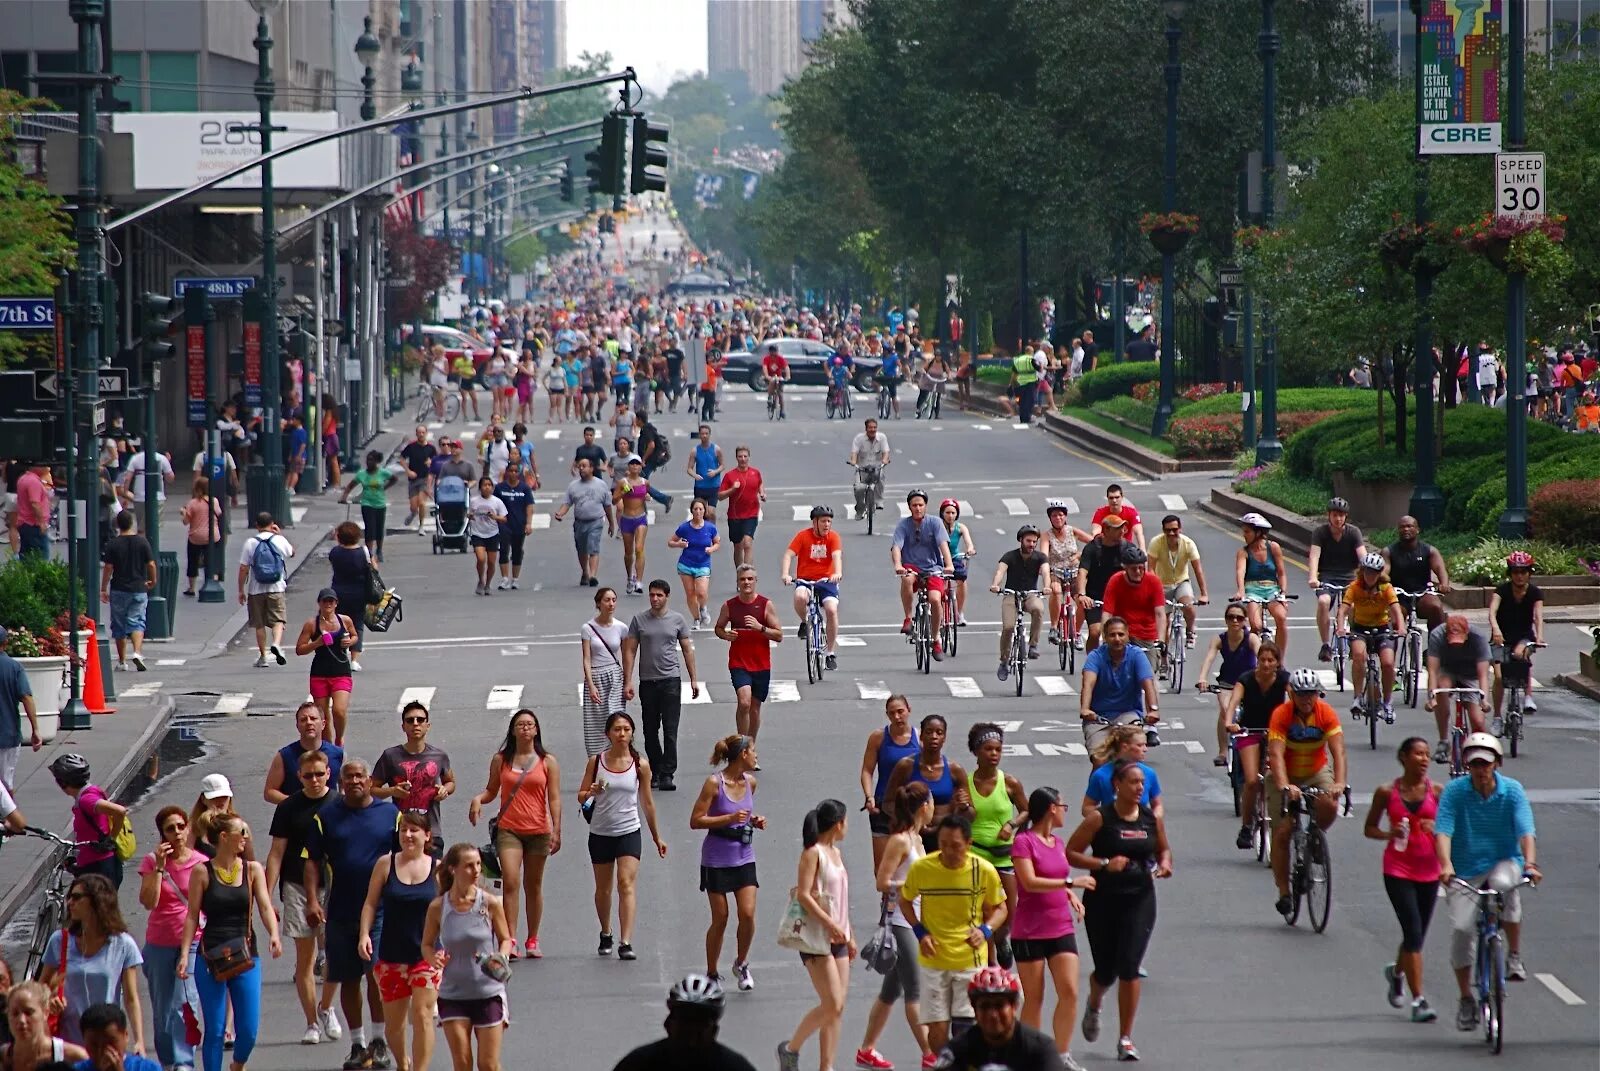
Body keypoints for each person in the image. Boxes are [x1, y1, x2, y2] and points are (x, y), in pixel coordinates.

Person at [1065, 760, 1172, 1064]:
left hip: (1140, 898)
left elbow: (1163, 848)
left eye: (1142, 783)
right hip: (1103, 900)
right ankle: (1095, 1002)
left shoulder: (1151, 819)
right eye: (1134, 782)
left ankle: (1125, 1038)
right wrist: (1102, 864)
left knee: (1129, 967)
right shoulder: (1100, 819)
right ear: (1117, 786)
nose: (1140, 788)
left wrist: (1165, 863)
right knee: (1106, 971)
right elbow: (1070, 852)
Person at [1434, 732, 1540, 1031]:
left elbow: (1525, 831)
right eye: (1475, 765)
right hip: (1465, 869)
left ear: (1498, 764)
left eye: (1486, 764)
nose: (1480, 770)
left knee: (1507, 886)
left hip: (1503, 861)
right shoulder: (1455, 792)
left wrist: (1530, 864)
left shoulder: (1512, 791)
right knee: (1461, 930)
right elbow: (1443, 831)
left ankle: (1514, 956)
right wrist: (1446, 865)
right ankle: (1466, 997)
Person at [305, 761, 400, 1070]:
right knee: (347, 978)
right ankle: (358, 1045)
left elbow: (406, 858)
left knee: (376, 975)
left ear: (370, 780)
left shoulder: (390, 814)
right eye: (349, 777)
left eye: (361, 776)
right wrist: (311, 901)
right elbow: (312, 862)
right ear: (341, 782)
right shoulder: (326, 817)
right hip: (340, 911)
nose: (356, 781)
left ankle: (379, 1041)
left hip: (381, 912)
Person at [176, 815, 280, 1071]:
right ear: (224, 837)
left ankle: (237, 1064)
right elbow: (192, 916)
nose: (246, 837)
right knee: (215, 1028)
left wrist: (274, 934)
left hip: (246, 954)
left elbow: (265, 907)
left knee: (248, 1030)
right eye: (240, 832)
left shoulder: (252, 869)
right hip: (210, 955)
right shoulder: (203, 871)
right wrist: (184, 955)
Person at [897, 815, 1006, 1056]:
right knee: (937, 1029)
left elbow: (1001, 908)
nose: (947, 851)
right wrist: (920, 932)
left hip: (970, 960)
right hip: (933, 961)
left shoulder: (983, 870)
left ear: (969, 843)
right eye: (943, 844)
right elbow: (904, 900)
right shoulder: (923, 868)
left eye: (955, 845)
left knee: (964, 1027)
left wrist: (985, 930)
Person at [467, 709, 561, 959]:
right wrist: (478, 799)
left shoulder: (547, 761)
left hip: (539, 830)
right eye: (520, 724)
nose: (526, 728)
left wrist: (556, 829)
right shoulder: (501, 760)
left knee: (533, 884)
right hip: (510, 829)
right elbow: (491, 790)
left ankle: (533, 939)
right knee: (510, 881)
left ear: (537, 730)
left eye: (530, 724)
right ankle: (510, 939)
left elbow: (553, 798)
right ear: (513, 730)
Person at [1363, 738, 1442, 1024]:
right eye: (1418, 754)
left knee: (1416, 934)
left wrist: (1438, 829)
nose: (1423, 760)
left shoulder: (1437, 791)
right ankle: (1419, 1000)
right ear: (1403, 757)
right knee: (1412, 932)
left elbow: (1450, 831)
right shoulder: (1386, 792)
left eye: (1427, 755)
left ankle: (1397, 973)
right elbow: (1369, 828)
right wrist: (1390, 834)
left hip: (1430, 870)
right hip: (1397, 869)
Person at [1011, 788, 1091, 1070]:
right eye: (1062, 805)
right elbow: (1030, 883)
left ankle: (1061, 1053)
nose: (1064, 811)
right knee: (1035, 997)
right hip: (1030, 930)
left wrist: (1069, 896)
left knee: (1069, 990)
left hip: (1060, 926)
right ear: (1050, 809)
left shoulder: (1057, 843)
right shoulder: (1023, 842)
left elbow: (1058, 875)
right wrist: (1071, 885)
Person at [578, 712, 668, 961]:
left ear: (632, 733)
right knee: (603, 889)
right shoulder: (596, 762)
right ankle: (606, 932)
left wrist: (656, 837)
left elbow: (647, 802)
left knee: (626, 884)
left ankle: (625, 941)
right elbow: (581, 795)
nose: (622, 734)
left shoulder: (640, 764)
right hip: (600, 832)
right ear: (608, 733)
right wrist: (591, 791)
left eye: (626, 729)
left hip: (629, 830)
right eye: (617, 729)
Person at [265, 748, 339, 1044]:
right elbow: (276, 854)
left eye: (320, 774)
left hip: (334, 887)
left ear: (329, 774)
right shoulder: (288, 808)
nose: (314, 780)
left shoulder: (339, 804)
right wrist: (267, 898)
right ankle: (311, 1022)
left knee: (334, 954)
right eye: (308, 775)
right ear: (299, 776)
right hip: (296, 886)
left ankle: (327, 1007)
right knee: (305, 960)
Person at [775, 800, 854, 1071]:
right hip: (817, 937)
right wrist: (831, 924)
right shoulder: (813, 854)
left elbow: (841, 899)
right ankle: (791, 1048)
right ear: (838, 823)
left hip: (838, 937)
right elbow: (804, 895)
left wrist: (848, 933)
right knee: (832, 1003)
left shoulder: (836, 854)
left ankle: (826, 1065)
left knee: (838, 1007)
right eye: (845, 822)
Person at [357, 812, 438, 1071]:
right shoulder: (386, 864)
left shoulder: (438, 867)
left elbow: (452, 905)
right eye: (403, 830)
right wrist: (364, 935)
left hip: (427, 955)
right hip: (391, 954)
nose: (408, 835)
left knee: (423, 1015)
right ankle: (403, 1062)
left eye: (414, 830)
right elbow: (370, 903)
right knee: (394, 1025)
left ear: (427, 836)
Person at [421, 844, 513, 1071]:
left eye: (478, 865)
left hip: (488, 992)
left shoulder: (489, 903)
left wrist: (501, 956)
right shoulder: (438, 907)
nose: (476, 871)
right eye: (469, 866)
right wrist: (433, 959)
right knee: (462, 1064)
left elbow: (506, 939)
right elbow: (426, 944)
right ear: (453, 869)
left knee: (488, 1065)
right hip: (453, 994)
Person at [1267, 668, 1349, 918]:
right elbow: (1276, 755)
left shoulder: (1326, 714)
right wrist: (1284, 786)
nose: (1306, 699)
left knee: (1330, 804)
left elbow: (1338, 752)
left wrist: (1340, 783)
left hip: (1315, 770)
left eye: (1311, 694)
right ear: (1291, 693)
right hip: (1286, 774)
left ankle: (1315, 839)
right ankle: (1284, 893)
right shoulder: (1281, 714)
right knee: (1282, 832)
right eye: (1301, 694)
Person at [690, 734, 765, 988]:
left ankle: (741, 964)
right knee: (720, 917)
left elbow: (745, 814)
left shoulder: (751, 783)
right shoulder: (714, 784)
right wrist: (729, 819)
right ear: (743, 754)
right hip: (716, 858)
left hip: (743, 855)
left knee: (747, 913)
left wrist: (753, 821)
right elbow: (696, 820)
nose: (756, 756)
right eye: (753, 751)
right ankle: (711, 972)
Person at [36, 874, 143, 1053]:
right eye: (69, 897)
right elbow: (41, 987)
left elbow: (131, 999)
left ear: (97, 900)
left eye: (77, 897)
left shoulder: (123, 944)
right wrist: (50, 999)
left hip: (107, 1041)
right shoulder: (59, 941)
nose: (70, 902)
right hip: (67, 1042)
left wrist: (139, 1040)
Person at [135, 807, 203, 1070]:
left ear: (187, 828)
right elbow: (148, 902)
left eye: (180, 826)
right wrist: (161, 869)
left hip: (193, 940)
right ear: (162, 834)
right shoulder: (152, 862)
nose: (176, 833)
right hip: (159, 942)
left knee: (185, 1000)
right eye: (169, 829)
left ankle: (184, 1061)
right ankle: (168, 1062)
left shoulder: (199, 862)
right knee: (163, 1008)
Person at [622, 580, 699, 792]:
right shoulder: (639, 620)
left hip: (670, 681)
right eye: (652, 595)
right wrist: (628, 680)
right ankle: (655, 770)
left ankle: (667, 773)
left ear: (667, 596)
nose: (655, 599)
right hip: (648, 682)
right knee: (649, 730)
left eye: (659, 595)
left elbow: (687, 650)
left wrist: (693, 678)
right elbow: (630, 650)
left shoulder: (677, 620)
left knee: (670, 730)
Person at [611, 974, 757, 1071]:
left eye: (699, 1027)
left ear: (714, 1030)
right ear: (668, 1024)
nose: (691, 1040)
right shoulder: (637, 1064)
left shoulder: (735, 1067)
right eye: (685, 1026)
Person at [1223, 640, 1288, 849]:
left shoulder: (1285, 679)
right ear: (1257, 661)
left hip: (1275, 733)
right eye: (1262, 660)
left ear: (1278, 663)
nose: (1266, 664)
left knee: (1278, 777)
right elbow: (1233, 702)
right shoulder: (1247, 679)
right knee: (1251, 781)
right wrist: (1229, 722)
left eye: (1271, 660)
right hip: (1249, 730)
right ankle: (1247, 825)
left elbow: (1296, 699)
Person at [371, 701, 456, 855]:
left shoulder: (439, 756)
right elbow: (371, 789)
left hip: (431, 831)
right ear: (403, 726)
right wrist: (392, 791)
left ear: (427, 725)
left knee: (433, 877)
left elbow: (450, 782)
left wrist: (445, 790)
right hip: (402, 831)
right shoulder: (390, 756)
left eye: (420, 720)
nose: (415, 724)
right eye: (410, 720)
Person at [713, 565, 782, 742]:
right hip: (739, 662)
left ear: (755, 581)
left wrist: (761, 628)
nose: (746, 582)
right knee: (744, 702)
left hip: (761, 664)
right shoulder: (729, 606)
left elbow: (779, 635)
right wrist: (725, 635)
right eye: (743, 579)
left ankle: (751, 746)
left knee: (755, 707)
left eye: (750, 579)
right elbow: (718, 628)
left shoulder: (765, 605)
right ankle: (741, 746)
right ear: (737, 582)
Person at [1336, 552, 1403, 722]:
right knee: (1358, 656)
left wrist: (1401, 628)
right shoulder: (1355, 587)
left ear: (1380, 573)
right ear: (1362, 572)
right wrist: (1340, 628)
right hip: (1360, 629)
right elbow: (1343, 610)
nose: (1370, 576)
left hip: (1382, 629)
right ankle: (1357, 698)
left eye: (1374, 572)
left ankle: (1387, 702)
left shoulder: (1386, 588)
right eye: (1367, 572)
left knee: (1388, 663)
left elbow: (1396, 610)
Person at [1078, 618, 1160, 755]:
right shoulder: (1096, 656)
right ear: (1105, 637)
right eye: (1112, 635)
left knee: (1133, 753)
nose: (1117, 639)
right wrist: (1085, 709)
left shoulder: (1137, 655)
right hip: (1098, 717)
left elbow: (1148, 684)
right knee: (1100, 759)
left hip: (1128, 715)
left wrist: (1153, 710)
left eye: (1121, 634)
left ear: (1128, 635)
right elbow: (1088, 684)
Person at [858, 695, 922, 870]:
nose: (897, 717)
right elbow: (867, 770)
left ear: (909, 710)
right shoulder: (878, 738)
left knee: (912, 865)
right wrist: (869, 796)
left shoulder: (920, 738)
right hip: (882, 806)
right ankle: (887, 898)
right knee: (882, 869)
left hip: (912, 809)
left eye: (900, 711)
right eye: (892, 713)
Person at [48, 754, 128, 887]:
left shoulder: (87, 800)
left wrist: (111, 838)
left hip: (98, 867)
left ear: (63, 783)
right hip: (99, 863)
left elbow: (120, 811)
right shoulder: (91, 791)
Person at [893, 490, 955, 660]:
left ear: (925, 506)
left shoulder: (935, 523)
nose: (918, 508)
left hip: (932, 567)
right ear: (909, 507)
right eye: (914, 505)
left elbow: (943, 545)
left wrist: (948, 565)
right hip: (911, 566)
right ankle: (908, 618)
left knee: (935, 599)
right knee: (906, 579)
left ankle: (936, 639)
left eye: (920, 505)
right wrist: (898, 565)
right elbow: (897, 547)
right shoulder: (903, 525)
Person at [1195, 605, 1260, 765]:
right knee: (1225, 710)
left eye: (1239, 618)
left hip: (1248, 682)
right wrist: (1202, 678)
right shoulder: (1219, 639)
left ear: (1245, 620)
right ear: (1226, 620)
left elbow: (1261, 655)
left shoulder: (1251, 638)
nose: (1235, 621)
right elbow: (1209, 658)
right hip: (1227, 682)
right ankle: (1223, 752)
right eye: (1231, 617)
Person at [781, 506, 844, 670]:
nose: (827, 525)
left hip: (826, 581)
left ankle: (830, 653)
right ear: (814, 522)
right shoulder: (803, 536)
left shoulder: (833, 537)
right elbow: (789, 554)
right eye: (823, 521)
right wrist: (786, 574)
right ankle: (804, 622)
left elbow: (837, 556)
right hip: (805, 580)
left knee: (831, 610)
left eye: (829, 521)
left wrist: (837, 573)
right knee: (800, 597)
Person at [1424, 614, 1494, 756]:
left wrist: (1484, 700)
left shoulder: (1478, 638)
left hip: (1471, 674)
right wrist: (1432, 698)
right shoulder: (1437, 635)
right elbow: (1432, 670)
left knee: (1477, 720)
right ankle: (1444, 741)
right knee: (1441, 688)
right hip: (1447, 670)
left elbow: (1483, 675)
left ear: (1467, 634)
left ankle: (1479, 750)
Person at [294, 589, 357, 745]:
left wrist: (350, 642)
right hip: (319, 674)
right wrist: (317, 643)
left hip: (341, 671)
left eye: (331, 601)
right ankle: (328, 748)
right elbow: (299, 649)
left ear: (336, 603)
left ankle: (339, 738)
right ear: (319, 603)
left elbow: (355, 635)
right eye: (325, 601)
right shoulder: (312, 624)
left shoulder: (345, 620)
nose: (328, 604)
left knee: (339, 711)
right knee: (323, 717)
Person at [1488, 551, 1545, 723]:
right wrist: (1496, 630)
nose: (1519, 576)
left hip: (1524, 636)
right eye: (1515, 572)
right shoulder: (1502, 590)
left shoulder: (1535, 592)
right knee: (1499, 677)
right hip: (1501, 637)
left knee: (1521, 655)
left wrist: (1540, 636)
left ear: (1529, 573)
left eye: (1523, 572)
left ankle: (1528, 696)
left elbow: (1538, 616)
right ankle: (1497, 716)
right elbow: (1492, 612)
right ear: (1510, 573)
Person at [1308, 497, 1366, 663]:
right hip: (1327, 576)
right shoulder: (1320, 533)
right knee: (1324, 602)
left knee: (1354, 606)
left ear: (1346, 516)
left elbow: (1363, 557)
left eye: (1341, 515)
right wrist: (1313, 576)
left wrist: (1366, 575)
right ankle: (1326, 644)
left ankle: (1355, 638)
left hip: (1350, 577)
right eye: (1335, 515)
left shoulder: (1353, 532)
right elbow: (1314, 556)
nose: (1338, 518)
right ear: (1329, 515)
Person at [96, 513, 153, 675]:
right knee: (137, 622)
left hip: (119, 588)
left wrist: (103, 588)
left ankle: (122, 661)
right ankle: (137, 652)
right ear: (132, 523)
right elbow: (151, 564)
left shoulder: (113, 544)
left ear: (118, 525)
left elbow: (108, 568)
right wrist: (152, 580)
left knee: (119, 625)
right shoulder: (142, 542)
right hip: (138, 588)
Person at [991, 525, 1049, 677]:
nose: (1031, 544)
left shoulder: (1040, 557)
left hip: (1030, 594)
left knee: (1038, 609)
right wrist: (996, 585)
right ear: (1020, 540)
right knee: (1009, 627)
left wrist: (1047, 586)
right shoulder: (1009, 556)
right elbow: (1000, 571)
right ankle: (1004, 660)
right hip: (1011, 594)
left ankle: (1033, 645)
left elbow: (1045, 572)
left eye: (1034, 542)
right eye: (1028, 541)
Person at [238, 513, 294, 669]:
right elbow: (292, 552)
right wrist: (279, 534)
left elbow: (243, 568)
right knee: (278, 619)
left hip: (256, 590)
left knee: (259, 624)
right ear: (272, 524)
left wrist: (240, 590)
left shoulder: (250, 543)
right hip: (276, 587)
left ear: (257, 525)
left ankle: (263, 656)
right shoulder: (279, 540)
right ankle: (276, 644)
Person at [1233, 513, 1291, 656]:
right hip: (1252, 590)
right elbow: (1240, 571)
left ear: (1258, 533)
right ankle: (1254, 658)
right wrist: (1241, 591)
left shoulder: (1273, 548)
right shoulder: (1243, 552)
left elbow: (1281, 573)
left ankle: (1279, 660)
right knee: (1256, 625)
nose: (1244, 535)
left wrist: (1283, 593)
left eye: (1247, 531)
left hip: (1272, 589)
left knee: (1281, 618)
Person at [580, 587, 629, 756]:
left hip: (615, 676)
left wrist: (628, 682)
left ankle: (618, 756)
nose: (611, 604)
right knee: (596, 723)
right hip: (596, 676)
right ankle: (597, 760)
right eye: (607, 600)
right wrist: (591, 685)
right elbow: (586, 658)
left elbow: (626, 656)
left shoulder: (621, 628)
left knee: (615, 718)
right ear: (598, 603)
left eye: (614, 600)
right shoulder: (588, 628)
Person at [1149, 515, 1208, 648]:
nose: (1171, 533)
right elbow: (1150, 569)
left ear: (1180, 529)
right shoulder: (1156, 543)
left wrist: (1204, 594)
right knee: (1164, 622)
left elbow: (1198, 570)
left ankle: (1191, 630)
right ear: (1163, 531)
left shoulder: (1188, 544)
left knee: (1189, 607)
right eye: (1167, 530)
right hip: (1161, 584)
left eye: (1174, 529)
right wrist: (1154, 589)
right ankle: (1164, 658)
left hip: (1181, 582)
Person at [1081, 725, 1164, 818]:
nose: (1145, 749)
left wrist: (1152, 820)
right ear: (1125, 747)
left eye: (1145, 744)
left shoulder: (1149, 773)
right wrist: (1106, 820)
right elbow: (1087, 807)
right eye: (1140, 745)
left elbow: (1157, 805)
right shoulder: (1101, 775)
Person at [1384, 516, 1450, 632]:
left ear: (1417, 529)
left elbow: (1440, 569)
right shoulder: (1388, 551)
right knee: (1393, 621)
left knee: (1435, 607)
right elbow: (1384, 571)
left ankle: (1434, 646)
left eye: (1409, 526)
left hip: (1422, 593)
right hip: (1398, 595)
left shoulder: (1429, 550)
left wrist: (1444, 584)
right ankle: (1390, 649)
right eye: (1402, 527)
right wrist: (1382, 580)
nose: (1406, 529)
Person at [3, 982, 88, 1071]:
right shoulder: (3, 1058)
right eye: (15, 1014)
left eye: (28, 1012)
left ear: (45, 1012)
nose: (21, 1020)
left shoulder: (74, 1057)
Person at [554, 457, 612, 586]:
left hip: (596, 521)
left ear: (591, 468)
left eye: (584, 466)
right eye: (580, 466)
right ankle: (585, 571)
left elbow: (607, 506)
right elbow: (567, 503)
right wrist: (560, 513)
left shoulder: (600, 485)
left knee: (593, 547)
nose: (581, 468)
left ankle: (592, 575)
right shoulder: (573, 486)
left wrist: (611, 524)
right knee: (581, 549)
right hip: (580, 522)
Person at [1074, 516, 1129, 653]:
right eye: (1118, 529)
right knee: (1095, 632)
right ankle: (1092, 664)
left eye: (1123, 528)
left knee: (1127, 634)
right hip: (1095, 598)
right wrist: (1082, 594)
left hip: (1120, 599)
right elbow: (1082, 572)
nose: (1122, 531)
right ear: (1106, 529)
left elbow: (1137, 571)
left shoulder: (1126, 548)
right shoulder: (1092, 548)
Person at [1101, 544, 1167, 654]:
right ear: (1125, 568)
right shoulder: (1115, 581)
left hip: (1146, 635)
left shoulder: (1154, 581)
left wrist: (1161, 640)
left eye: (1141, 568)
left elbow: (1160, 613)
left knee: (1148, 669)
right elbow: (1107, 614)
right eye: (1133, 568)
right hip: (1122, 634)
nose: (1138, 572)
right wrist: (1105, 639)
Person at [326, 522, 371, 676]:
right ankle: (354, 659)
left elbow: (332, 561)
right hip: (359, 592)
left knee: (339, 624)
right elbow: (372, 568)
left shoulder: (335, 552)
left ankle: (340, 654)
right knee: (357, 624)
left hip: (338, 592)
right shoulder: (363, 552)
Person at [0, 628, 40, 798]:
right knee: (5, 782)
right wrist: (35, 729)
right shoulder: (14, 667)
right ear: (5, 643)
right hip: (7, 734)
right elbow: (26, 697)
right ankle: (9, 819)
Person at [669, 498, 719, 629]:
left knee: (701, 592)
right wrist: (679, 544)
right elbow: (671, 542)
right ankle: (696, 619)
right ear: (691, 511)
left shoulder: (710, 528)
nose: (698, 511)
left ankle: (703, 608)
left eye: (700, 509)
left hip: (703, 564)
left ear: (704, 511)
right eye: (695, 509)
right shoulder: (684, 528)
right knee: (690, 594)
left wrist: (711, 549)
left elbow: (717, 542)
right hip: (685, 564)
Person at [339, 452, 397, 564]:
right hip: (367, 503)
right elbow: (351, 485)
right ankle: (369, 552)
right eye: (368, 460)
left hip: (380, 503)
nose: (369, 463)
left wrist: (385, 487)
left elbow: (394, 479)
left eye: (372, 460)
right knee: (369, 528)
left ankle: (379, 550)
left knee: (379, 528)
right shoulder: (362, 474)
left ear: (377, 462)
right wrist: (344, 497)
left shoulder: (382, 473)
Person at [73, 1003, 160, 1071]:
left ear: (125, 1036)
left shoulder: (147, 1068)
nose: (102, 1052)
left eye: (110, 1043)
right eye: (94, 1045)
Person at [716, 447, 764, 570]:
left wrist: (762, 493)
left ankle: (746, 574)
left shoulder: (755, 473)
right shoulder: (730, 476)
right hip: (735, 516)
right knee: (738, 546)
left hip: (751, 514)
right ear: (736, 458)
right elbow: (720, 496)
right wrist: (732, 489)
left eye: (745, 456)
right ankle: (739, 573)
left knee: (747, 543)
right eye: (740, 456)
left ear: (749, 457)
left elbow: (759, 484)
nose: (743, 459)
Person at [178, 479, 223, 596]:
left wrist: (183, 512)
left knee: (192, 561)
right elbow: (219, 513)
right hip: (212, 536)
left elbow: (185, 522)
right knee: (211, 560)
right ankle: (213, 581)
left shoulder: (192, 503)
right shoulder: (214, 501)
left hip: (196, 537)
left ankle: (191, 588)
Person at [466, 477, 508, 597]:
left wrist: (495, 517)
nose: (487, 487)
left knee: (491, 562)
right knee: (480, 558)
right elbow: (470, 513)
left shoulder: (497, 502)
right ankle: (481, 580)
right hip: (478, 533)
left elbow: (504, 518)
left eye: (489, 485)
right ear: (480, 488)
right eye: (485, 485)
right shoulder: (474, 501)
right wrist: (470, 516)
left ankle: (487, 583)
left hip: (492, 533)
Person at [941, 500, 977, 629]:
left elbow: (968, 541)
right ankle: (939, 612)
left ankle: (959, 613)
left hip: (955, 558)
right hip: (940, 559)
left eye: (953, 513)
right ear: (942, 513)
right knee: (938, 584)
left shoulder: (960, 527)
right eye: (947, 512)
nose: (950, 515)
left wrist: (970, 549)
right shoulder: (938, 526)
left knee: (962, 580)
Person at [848, 419, 890, 519]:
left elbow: (886, 452)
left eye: (874, 427)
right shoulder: (859, 439)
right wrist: (853, 461)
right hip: (862, 469)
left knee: (880, 476)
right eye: (870, 427)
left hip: (876, 468)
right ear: (866, 429)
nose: (873, 430)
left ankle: (879, 501)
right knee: (858, 488)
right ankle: (860, 509)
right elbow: (854, 452)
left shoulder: (882, 438)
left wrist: (884, 461)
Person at [398, 428, 437, 533]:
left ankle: (421, 526)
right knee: (414, 506)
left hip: (424, 478)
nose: (421, 434)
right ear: (416, 434)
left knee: (422, 503)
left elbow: (436, 461)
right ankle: (413, 513)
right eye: (419, 432)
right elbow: (401, 459)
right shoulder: (411, 447)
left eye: (423, 432)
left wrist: (431, 462)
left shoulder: (430, 448)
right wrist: (408, 471)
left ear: (426, 433)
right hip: (413, 479)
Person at [13, 461, 51, 560]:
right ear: (37, 467)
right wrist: (42, 523)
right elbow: (35, 504)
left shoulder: (23, 478)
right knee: (40, 556)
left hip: (24, 522)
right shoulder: (34, 482)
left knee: (26, 555)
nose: (47, 468)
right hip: (33, 524)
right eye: (45, 466)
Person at [686, 425, 724, 524]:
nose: (704, 436)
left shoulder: (716, 449)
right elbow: (689, 469)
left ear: (709, 435)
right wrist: (695, 475)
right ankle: (702, 531)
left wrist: (715, 472)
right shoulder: (695, 451)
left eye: (706, 434)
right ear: (699, 435)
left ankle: (713, 531)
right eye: (702, 434)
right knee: (700, 513)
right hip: (700, 487)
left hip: (713, 486)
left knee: (711, 512)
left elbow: (722, 465)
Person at [761, 343, 789, 419]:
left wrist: (787, 376)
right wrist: (766, 376)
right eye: (773, 351)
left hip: (778, 377)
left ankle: (782, 410)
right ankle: (770, 397)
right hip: (770, 377)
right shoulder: (766, 358)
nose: (774, 353)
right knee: (772, 381)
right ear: (770, 352)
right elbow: (765, 367)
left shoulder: (780, 358)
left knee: (780, 394)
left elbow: (786, 367)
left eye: (775, 351)